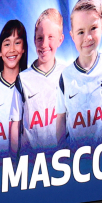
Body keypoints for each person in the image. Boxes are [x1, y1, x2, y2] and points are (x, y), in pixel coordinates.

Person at [59, 0, 102, 145]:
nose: (87, 37)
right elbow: (61, 122)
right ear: (72, 35)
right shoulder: (65, 76)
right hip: (76, 161)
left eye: (93, 28)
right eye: (81, 32)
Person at [20, 9, 67, 151]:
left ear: (60, 40)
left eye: (51, 37)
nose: (44, 44)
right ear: (34, 40)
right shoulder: (23, 79)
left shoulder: (67, 75)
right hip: (32, 164)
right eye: (40, 38)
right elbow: (16, 130)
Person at [0, 20, 26, 156]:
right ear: (0, 52)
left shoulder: (30, 84)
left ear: (24, 48)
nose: (12, 49)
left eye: (17, 43)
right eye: (7, 44)